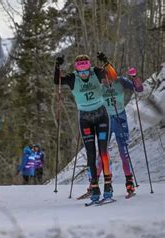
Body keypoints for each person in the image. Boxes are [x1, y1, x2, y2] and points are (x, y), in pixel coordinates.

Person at [54, 52, 116, 202]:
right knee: (90, 153)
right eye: (81, 71)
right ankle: (94, 186)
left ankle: (108, 183)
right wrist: (58, 66)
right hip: (85, 119)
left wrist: (106, 62)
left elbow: (113, 76)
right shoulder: (73, 78)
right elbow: (57, 81)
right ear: (77, 70)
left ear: (89, 68)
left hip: (101, 116)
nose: (83, 74)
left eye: (86, 70)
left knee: (103, 152)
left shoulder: (95, 72)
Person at [95, 67, 144, 195]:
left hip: (120, 119)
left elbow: (139, 89)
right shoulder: (99, 88)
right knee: (102, 152)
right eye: (103, 80)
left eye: (107, 79)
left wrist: (134, 77)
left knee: (124, 151)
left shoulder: (120, 81)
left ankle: (129, 182)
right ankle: (94, 183)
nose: (105, 82)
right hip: (105, 120)